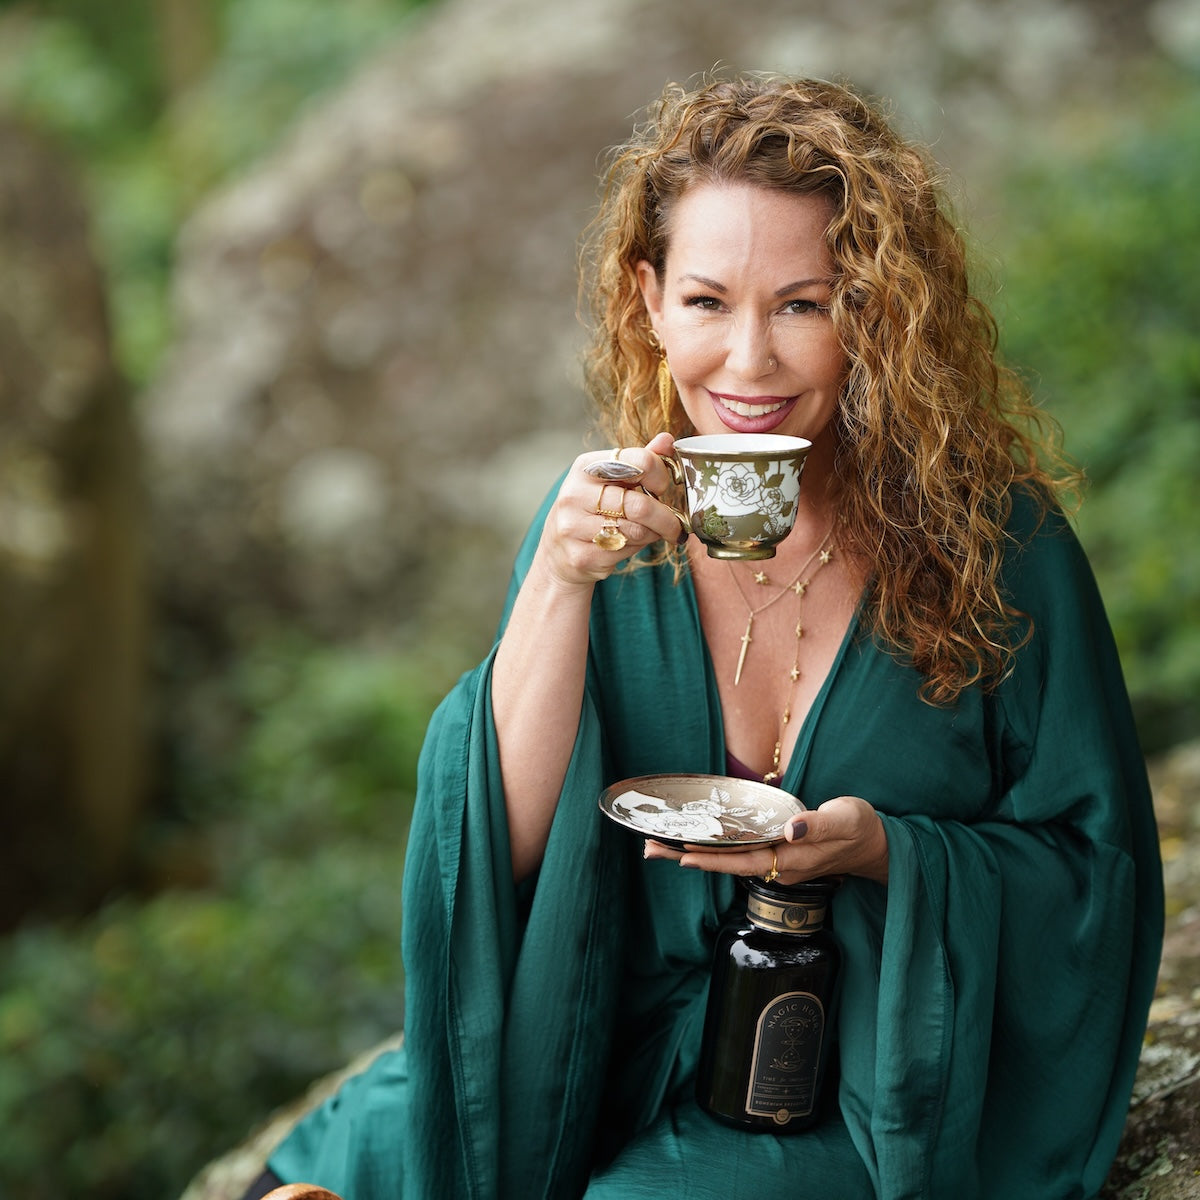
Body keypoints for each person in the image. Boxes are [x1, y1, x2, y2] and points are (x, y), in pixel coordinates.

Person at [244, 72, 1163, 1200]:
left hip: (854, 1084)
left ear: (873, 307)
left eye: (803, 303)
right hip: (601, 1042)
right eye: (708, 302)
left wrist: (884, 853)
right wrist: (559, 583)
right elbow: (503, 843)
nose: (750, 364)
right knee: (340, 1158)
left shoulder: (1002, 548)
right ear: (648, 300)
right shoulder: (605, 529)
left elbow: (1094, 875)